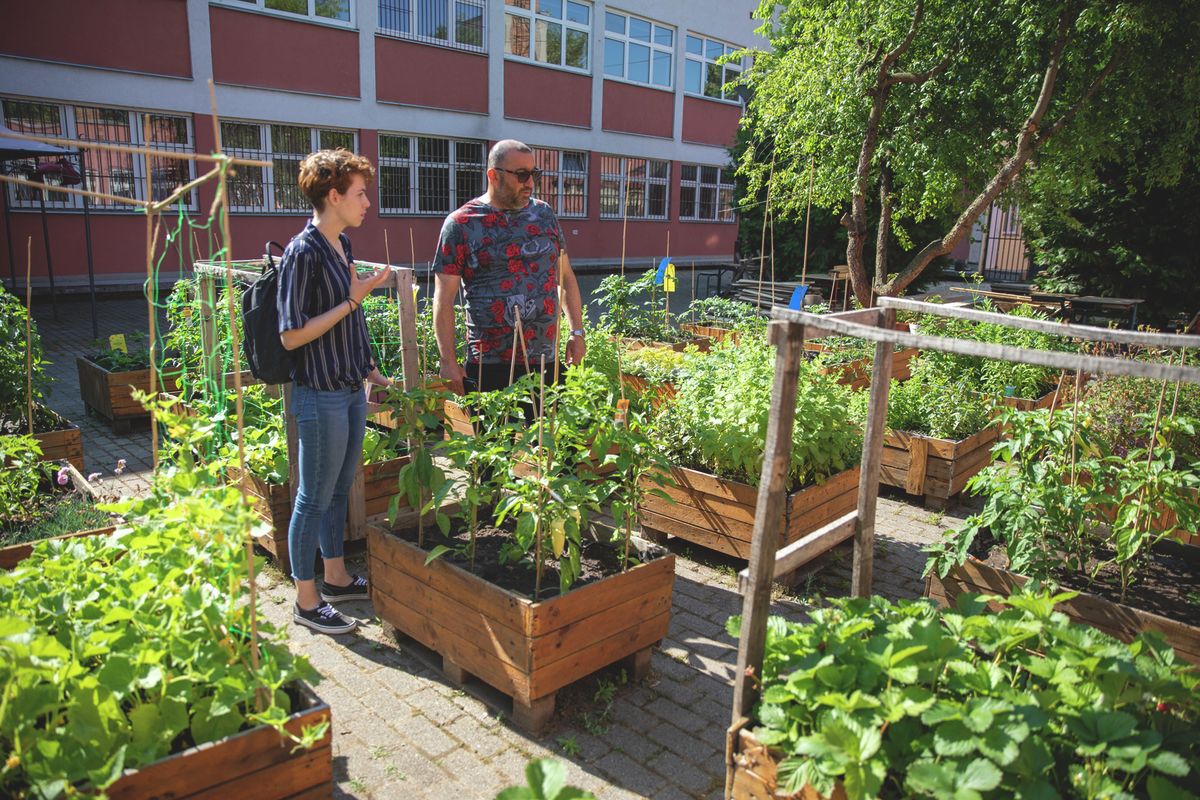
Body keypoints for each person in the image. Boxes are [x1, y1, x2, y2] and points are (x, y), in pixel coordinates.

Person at [277, 148, 393, 636]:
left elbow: (352, 324)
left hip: (346, 390)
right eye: (361, 193)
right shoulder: (302, 252)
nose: (368, 202)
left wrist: (372, 372)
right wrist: (352, 299)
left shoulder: (340, 245)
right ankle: (307, 601)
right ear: (334, 195)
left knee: (338, 490)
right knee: (311, 498)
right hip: (317, 393)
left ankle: (337, 577)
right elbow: (291, 334)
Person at [433, 139, 585, 395]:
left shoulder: (544, 215)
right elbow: (443, 298)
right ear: (493, 175)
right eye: (522, 175)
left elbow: (565, 276)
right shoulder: (461, 224)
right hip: (488, 363)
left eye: (534, 174)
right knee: (492, 435)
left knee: (545, 434)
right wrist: (448, 360)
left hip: (544, 359)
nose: (530, 183)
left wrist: (576, 331)